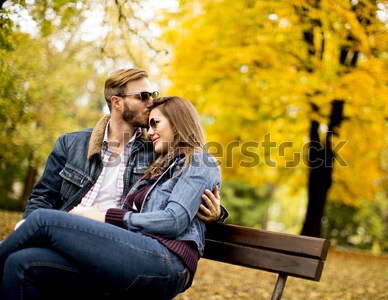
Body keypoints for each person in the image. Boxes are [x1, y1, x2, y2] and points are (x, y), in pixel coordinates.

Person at [0, 96, 222, 299]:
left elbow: (174, 220)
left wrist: (106, 216)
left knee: (44, 220)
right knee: (21, 263)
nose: (150, 131)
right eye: (149, 125)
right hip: (135, 254)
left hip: (167, 262)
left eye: (156, 123)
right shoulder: (156, 168)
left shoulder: (201, 161)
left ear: (178, 121)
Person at [16, 68, 225, 229]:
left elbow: (183, 192)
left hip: (114, 237)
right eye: (143, 96)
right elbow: (43, 196)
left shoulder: (156, 152)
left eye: (152, 94)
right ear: (117, 102)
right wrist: (26, 226)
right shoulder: (71, 144)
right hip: (62, 228)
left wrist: (217, 214)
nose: (151, 102)